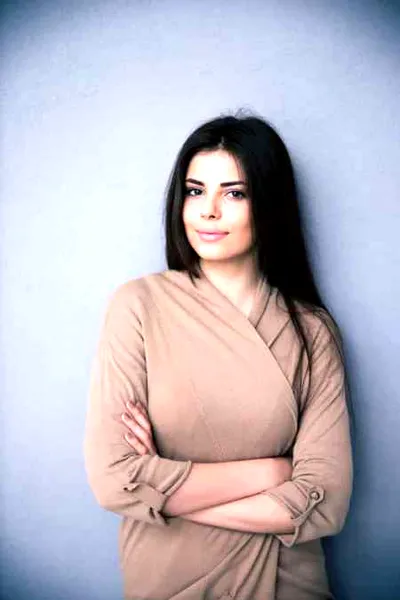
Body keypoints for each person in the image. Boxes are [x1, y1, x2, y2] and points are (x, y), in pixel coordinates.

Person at [84, 113, 353, 600]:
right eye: (195, 191)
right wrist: (272, 472)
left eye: (234, 193)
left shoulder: (312, 330)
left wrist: (163, 493)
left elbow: (325, 502)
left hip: (286, 582)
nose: (208, 211)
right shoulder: (139, 306)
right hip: (168, 578)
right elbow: (113, 479)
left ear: (267, 203)